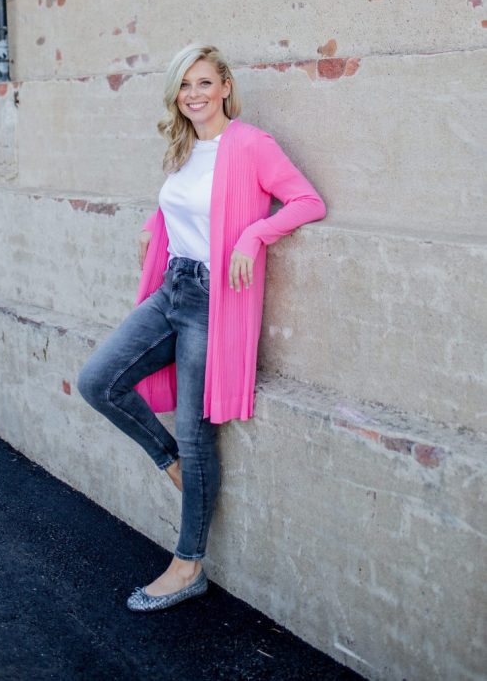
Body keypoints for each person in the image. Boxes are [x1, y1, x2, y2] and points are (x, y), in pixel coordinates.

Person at [77, 43, 326, 612]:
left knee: (196, 433)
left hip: (215, 300)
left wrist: (254, 235)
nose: (194, 94)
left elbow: (306, 201)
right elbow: (183, 202)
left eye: (205, 82)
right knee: (98, 381)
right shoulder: (183, 146)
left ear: (225, 87)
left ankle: (188, 566)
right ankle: (171, 463)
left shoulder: (251, 144)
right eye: (185, 85)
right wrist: (153, 222)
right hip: (172, 288)